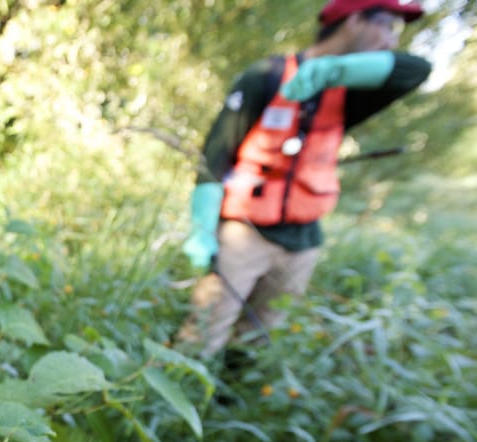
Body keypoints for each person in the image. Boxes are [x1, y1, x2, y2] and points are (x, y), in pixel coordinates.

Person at [176, 0, 432, 358]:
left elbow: (418, 70)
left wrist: (335, 69)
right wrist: (202, 231)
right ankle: (179, 405)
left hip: (303, 240)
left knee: (260, 335)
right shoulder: (265, 75)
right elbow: (214, 158)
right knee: (204, 331)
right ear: (355, 19)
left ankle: (230, 405)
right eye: (387, 25)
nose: (391, 40)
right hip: (244, 233)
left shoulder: (351, 91)